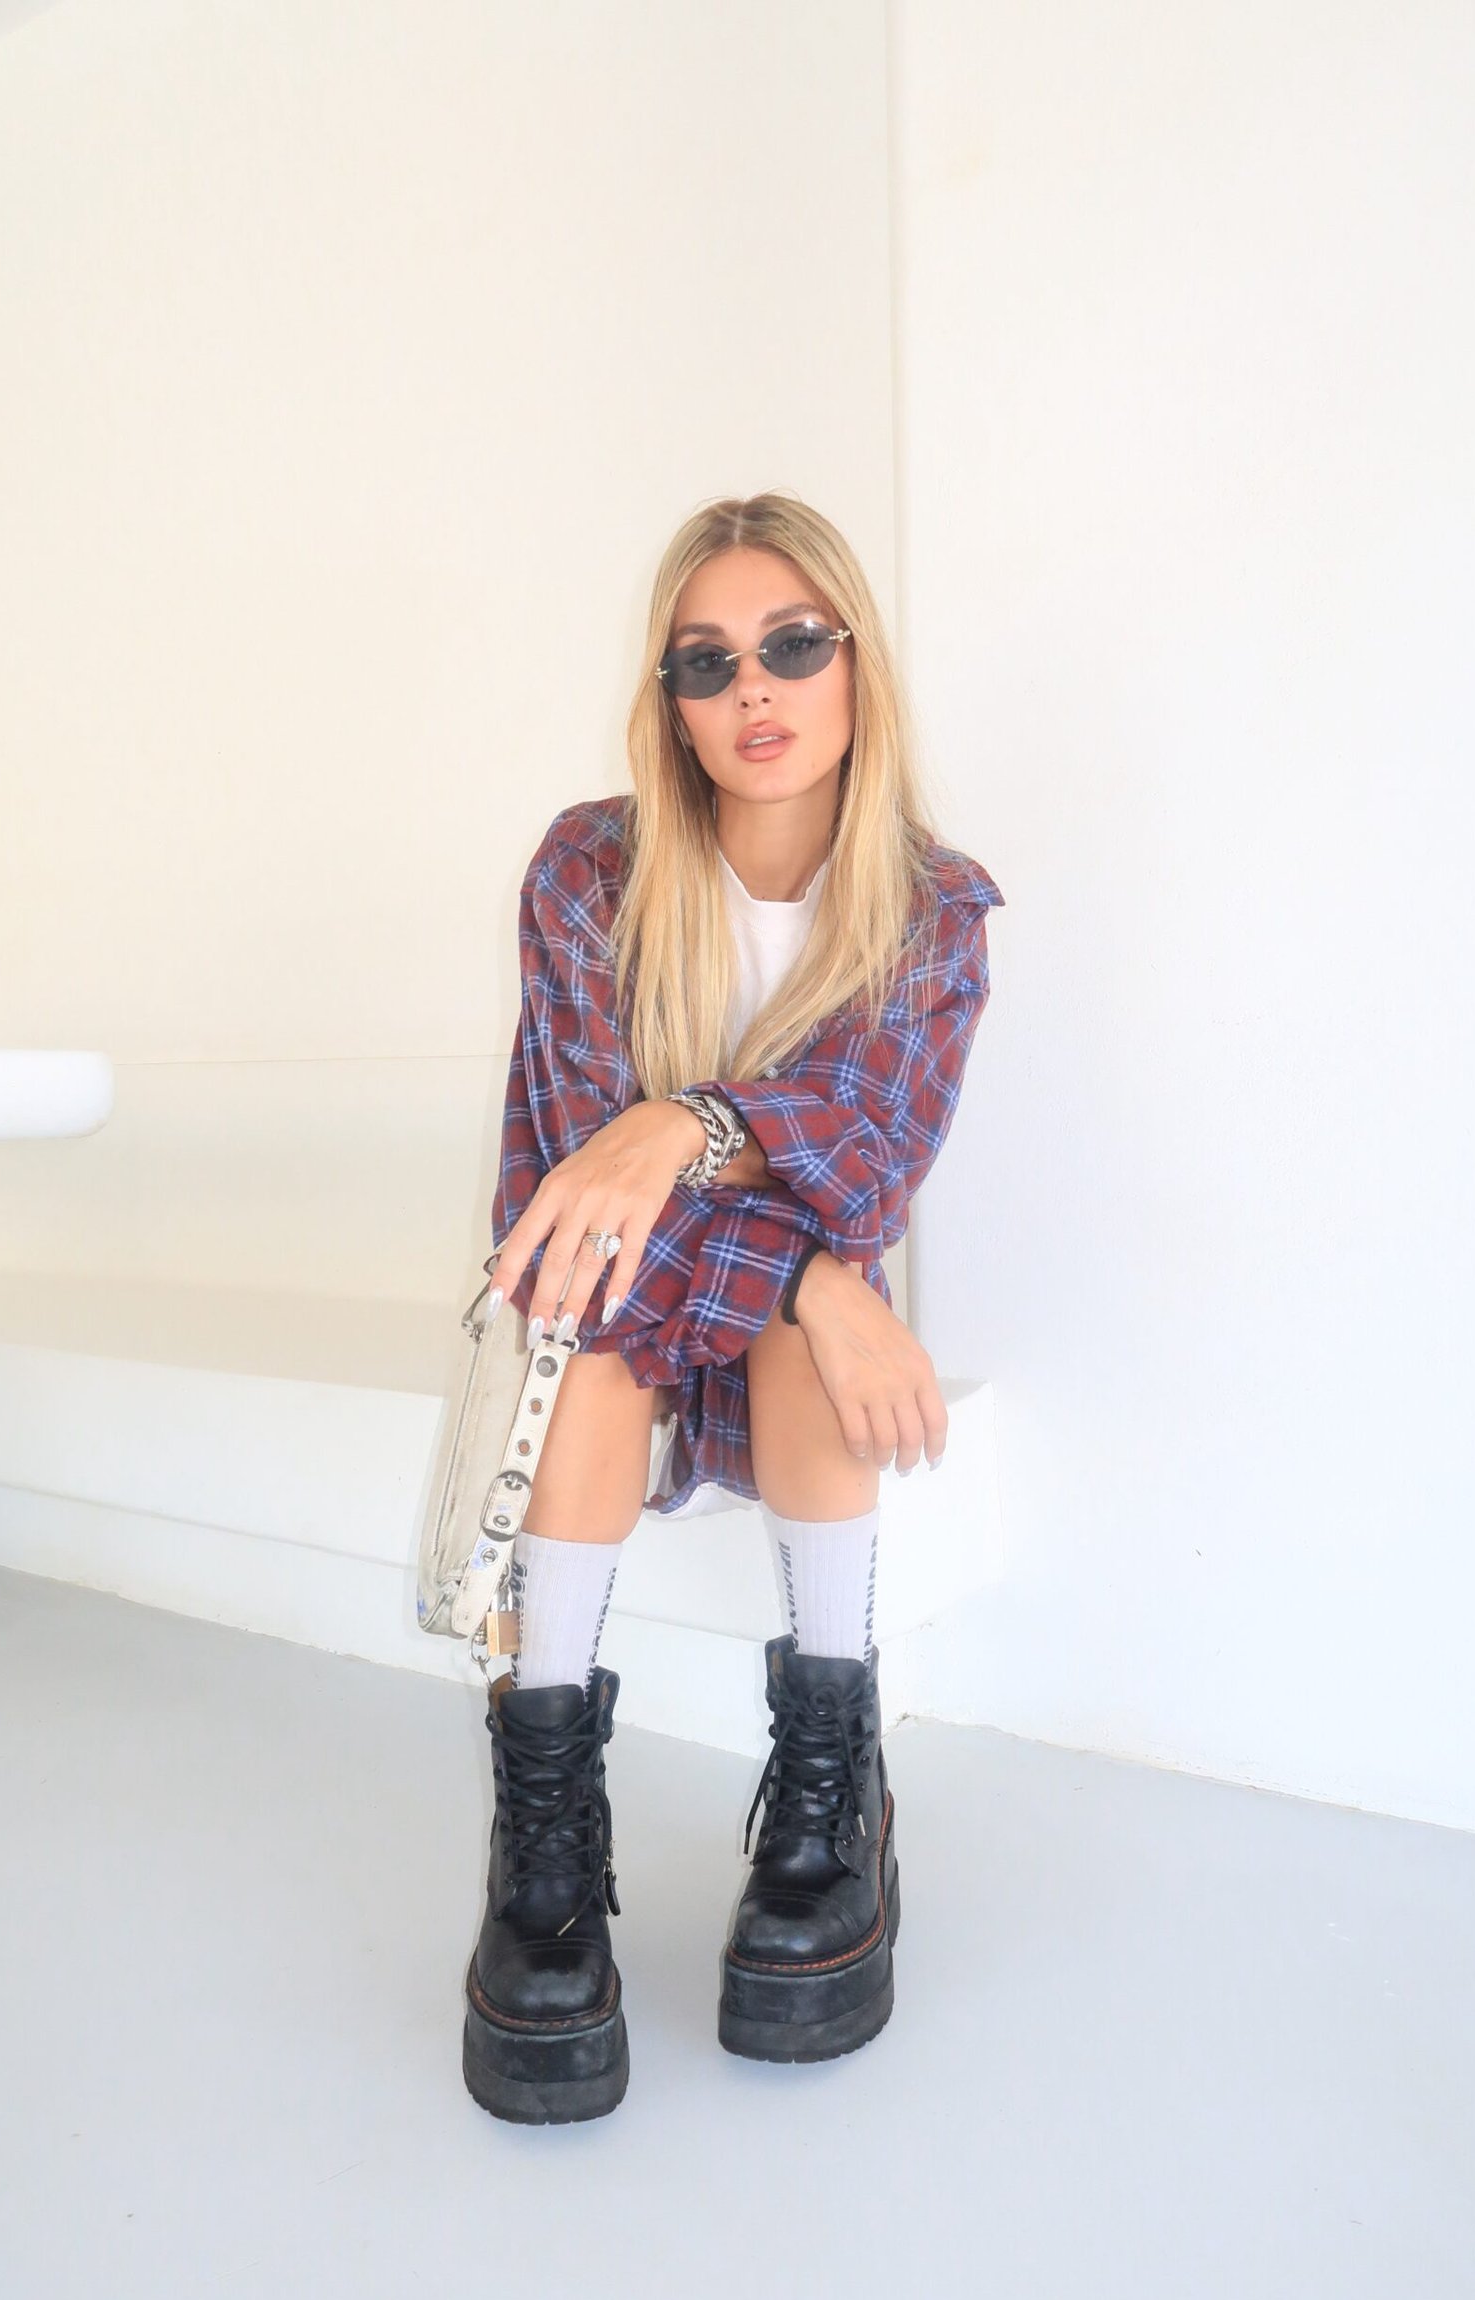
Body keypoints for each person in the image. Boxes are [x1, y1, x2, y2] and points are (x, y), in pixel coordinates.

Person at [460, 491, 1006, 2124]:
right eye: (708, 662)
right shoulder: (591, 869)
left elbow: (870, 1154)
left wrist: (686, 1129)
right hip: (612, 1302)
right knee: (610, 1304)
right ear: (673, 702)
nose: (753, 688)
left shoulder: (933, 909)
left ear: (856, 665)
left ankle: (833, 1791)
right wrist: (814, 1268)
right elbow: (581, 1186)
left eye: (791, 645)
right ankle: (544, 1831)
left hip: (765, 1343)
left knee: (812, 1322)